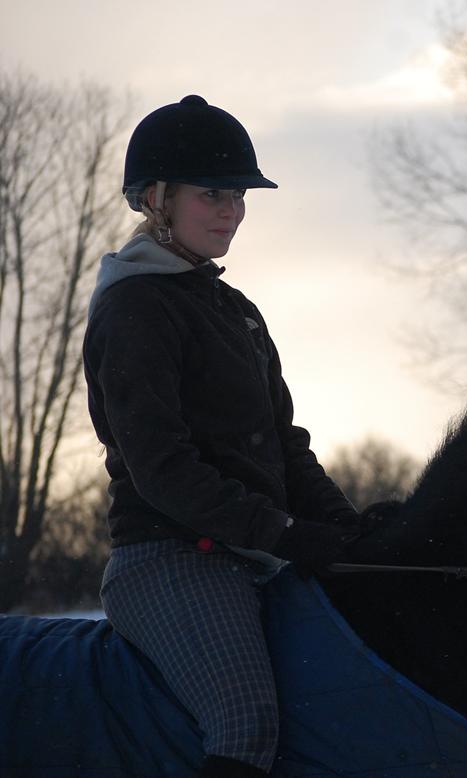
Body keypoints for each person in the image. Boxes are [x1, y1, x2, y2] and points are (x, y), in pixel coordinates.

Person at [84, 95, 363, 777]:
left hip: (252, 552)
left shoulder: (236, 310)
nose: (232, 211)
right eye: (213, 194)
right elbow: (162, 468)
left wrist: (351, 531)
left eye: (238, 195)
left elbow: (285, 446)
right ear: (156, 199)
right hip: (168, 557)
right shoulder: (133, 309)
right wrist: (282, 531)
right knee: (246, 722)